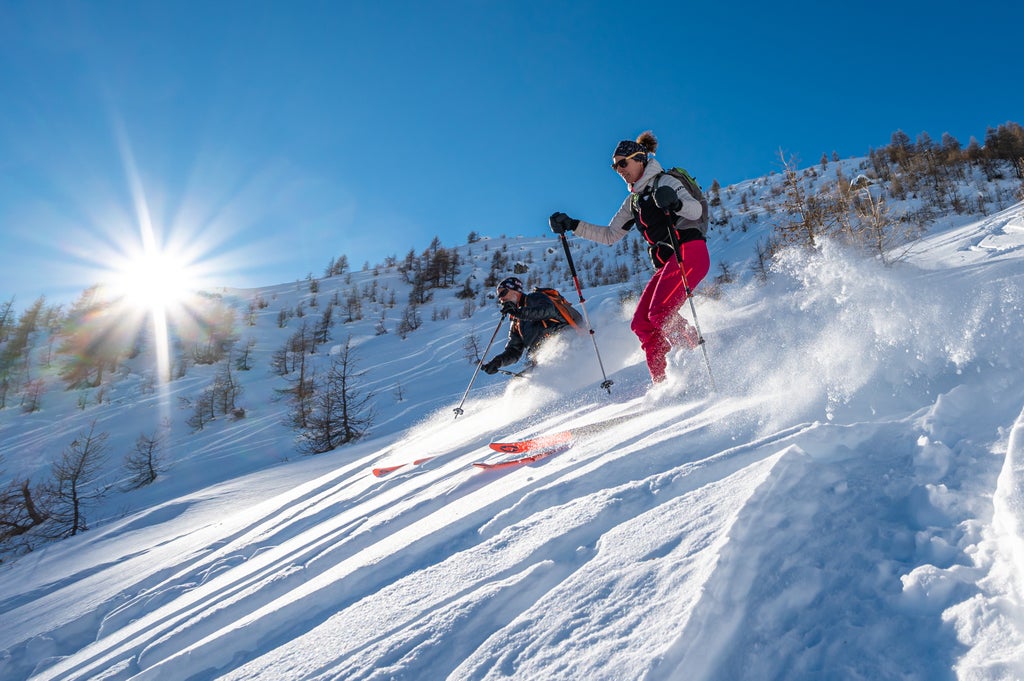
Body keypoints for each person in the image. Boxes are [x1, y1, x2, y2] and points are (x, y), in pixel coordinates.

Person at [549, 130, 710, 383]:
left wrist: (675, 203)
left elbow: (696, 209)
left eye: (623, 163)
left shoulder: (666, 181)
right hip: (667, 263)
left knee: (660, 312)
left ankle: (695, 355)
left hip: (689, 253)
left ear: (640, 159)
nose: (619, 170)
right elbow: (611, 235)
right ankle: (663, 380)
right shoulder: (633, 201)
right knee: (641, 323)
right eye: (615, 167)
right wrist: (572, 224)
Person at [481, 276, 581, 375]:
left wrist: (518, 312)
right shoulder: (516, 322)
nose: (501, 298)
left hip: (568, 344)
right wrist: (497, 362)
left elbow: (547, 310)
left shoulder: (534, 298)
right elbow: (514, 351)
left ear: (516, 290)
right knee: (519, 385)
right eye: (499, 297)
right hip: (544, 361)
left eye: (503, 293)